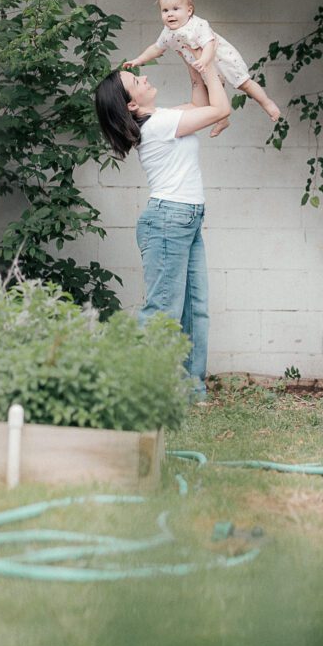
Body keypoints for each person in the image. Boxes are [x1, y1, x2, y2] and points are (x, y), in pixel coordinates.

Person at [94, 55, 230, 402]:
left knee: (194, 310)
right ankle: (117, 385)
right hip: (170, 221)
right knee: (162, 312)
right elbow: (218, 108)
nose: (141, 78)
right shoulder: (158, 126)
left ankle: (191, 390)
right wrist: (210, 63)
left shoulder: (161, 118)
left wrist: (192, 59)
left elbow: (200, 100)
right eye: (134, 81)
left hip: (185, 219)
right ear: (132, 103)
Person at [124, 0, 280, 137]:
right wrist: (139, 60)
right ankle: (223, 120)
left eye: (175, 9)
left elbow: (209, 43)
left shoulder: (198, 25)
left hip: (220, 59)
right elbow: (156, 48)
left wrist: (205, 60)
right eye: (165, 10)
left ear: (189, 11)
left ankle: (267, 103)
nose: (170, 14)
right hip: (202, 66)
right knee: (213, 94)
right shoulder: (167, 32)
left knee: (244, 84)